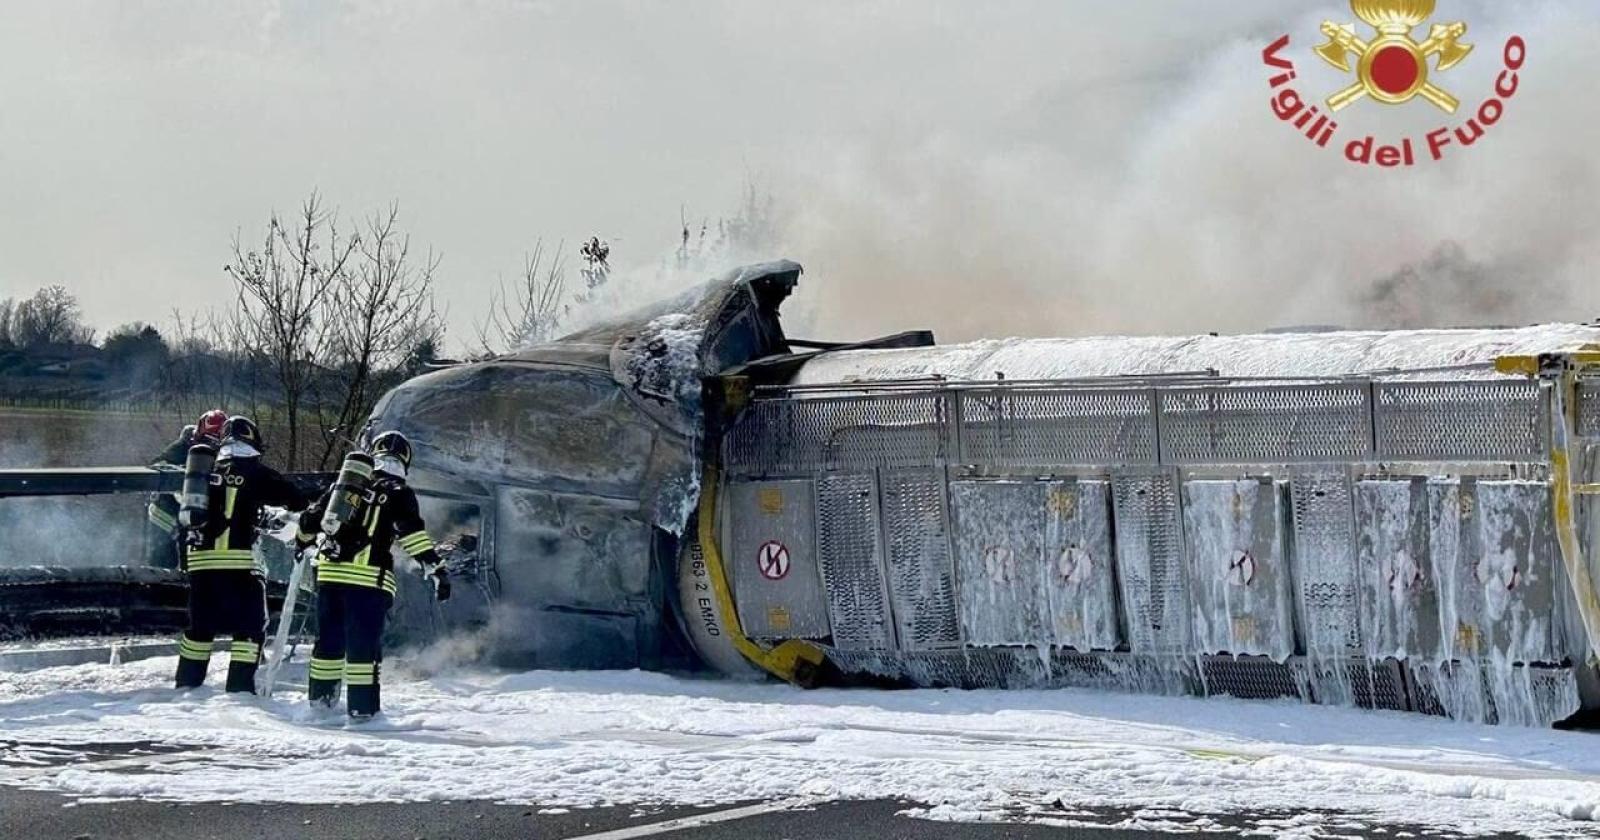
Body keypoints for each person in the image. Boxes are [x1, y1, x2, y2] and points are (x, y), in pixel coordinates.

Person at [297, 431, 450, 719]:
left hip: (329, 578)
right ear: (404, 460)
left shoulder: (345, 486)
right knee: (362, 651)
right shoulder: (398, 492)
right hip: (366, 583)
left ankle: (320, 708)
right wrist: (436, 568)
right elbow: (412, 535)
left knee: (328, 644)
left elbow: (309, 521)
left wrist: (302, 543)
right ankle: (362, 714)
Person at [174, 415, 308, 693]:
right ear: (252, 441)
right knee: (249, 629)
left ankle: (187, 687)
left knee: (199, 631)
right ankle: (239, 691)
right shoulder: (255, 471)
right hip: (239, 564)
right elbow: (296, 499)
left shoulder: (204, 471)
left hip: (200, 565)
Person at [145, 409, 228, 569]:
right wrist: (182, 475)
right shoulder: (182, 447)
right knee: (161, 562)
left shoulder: (222, 455)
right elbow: (157, 465)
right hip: (165, 511)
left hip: (192, 512)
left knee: (190, 561)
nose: (210, 446)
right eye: (207, 440)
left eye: (216, 442)